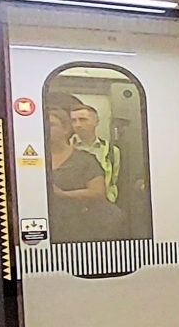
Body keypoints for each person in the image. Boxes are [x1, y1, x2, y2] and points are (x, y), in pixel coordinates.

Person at [43, 92, 123, 242]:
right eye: (75, 120)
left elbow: (110, 183)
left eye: (83, 119)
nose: (78, 125)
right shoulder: (36, 159)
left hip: (85, 221)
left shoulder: (93, 157)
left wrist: (62, 194)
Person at [70, 102, 121, 205]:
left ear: (96, 122)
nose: (78, 125)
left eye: (83, 120)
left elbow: (114, 181)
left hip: (102, 206)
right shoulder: (67, 148)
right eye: (73, 121)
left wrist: (111, 200)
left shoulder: (111, 151)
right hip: (74, 206)